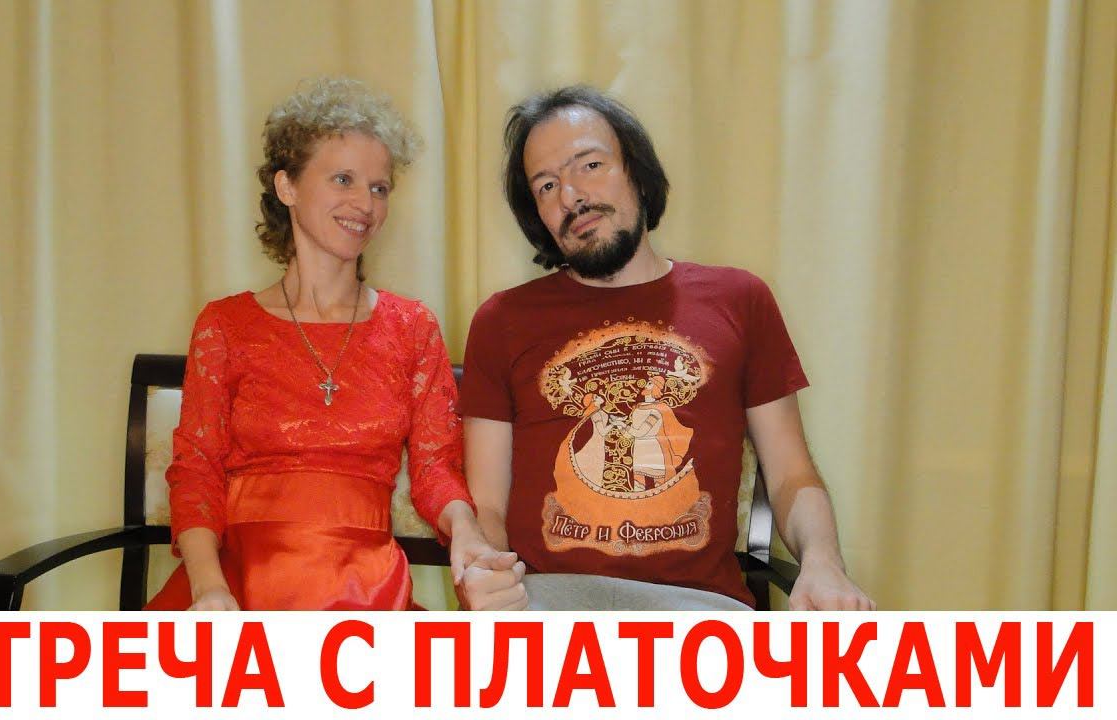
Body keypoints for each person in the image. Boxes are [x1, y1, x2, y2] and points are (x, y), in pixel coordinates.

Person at [458, 85, 875, 611]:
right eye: (546, 185)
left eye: (590, 165)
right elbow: (488, 506)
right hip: (547, 605)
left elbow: (791, 474)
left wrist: (823, 563)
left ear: (636, 170)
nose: (570, 196)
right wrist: (486, 578)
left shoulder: (740, 300)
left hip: (700, 613)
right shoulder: (501, 321)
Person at [146, 78, 523, 611]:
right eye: (343, 179)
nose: (365, 204)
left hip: (365, 588)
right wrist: (210, 590)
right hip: (234, 584)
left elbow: (435, 469)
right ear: (287, 187)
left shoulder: (412, 326)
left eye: (380, 188)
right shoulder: (224, 325)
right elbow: (196, 471)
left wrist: (464, 527)